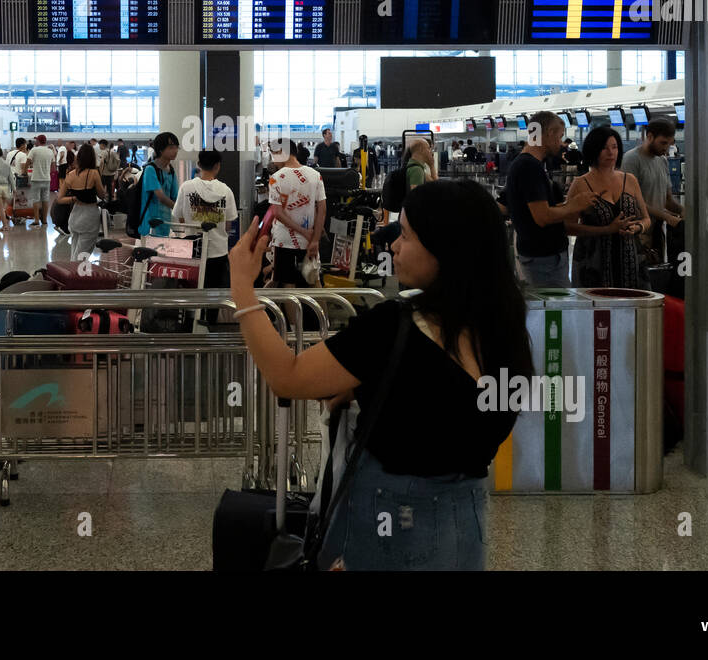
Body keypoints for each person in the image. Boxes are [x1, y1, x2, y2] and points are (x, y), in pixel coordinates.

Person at [226, 178, 531, 570]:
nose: (393, 245)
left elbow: (287, 376)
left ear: (445, 250)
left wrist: (243, 291)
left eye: (405, 235)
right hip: (463, 530)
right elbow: (442, 402)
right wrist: (366, 388)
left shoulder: (394, 327)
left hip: (384, 526)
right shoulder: (507, 333)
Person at [503, 111, 596, 288]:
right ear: (549, 134)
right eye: (560, 136)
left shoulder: (527, 164)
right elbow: (543, 216)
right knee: (556, 312)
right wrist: (574, 205)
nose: (561, 143)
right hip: (543, 260)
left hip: (541, 257)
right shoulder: (529, 166)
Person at [566, 127, 652, 289]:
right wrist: (607, 229)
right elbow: (568, 226)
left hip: (630, 260)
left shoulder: (630, 180)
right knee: (598, 311)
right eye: (604, 148)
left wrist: (637, 227)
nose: (611, 153)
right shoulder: (581, 184)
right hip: (593, 263)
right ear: (594, 150)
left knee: (632, 309)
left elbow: (646, 219)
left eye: (614, 147)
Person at [620, 119, 684, 266]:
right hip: (638, 230)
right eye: (663, 143)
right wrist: (667, 217)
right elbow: (633, 200)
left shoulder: (662, 161)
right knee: (640, 275)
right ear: (649, 137)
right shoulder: (632, 159)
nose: (666, 148)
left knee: (657, 275)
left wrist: (682, 210)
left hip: (657, 231)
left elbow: (667, 200)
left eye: (670, 143)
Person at [172, 149, 238, 289]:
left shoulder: (186, 187)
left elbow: (180, 218)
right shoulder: (226, 191)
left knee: (192, 291)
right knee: (214, 293)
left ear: (198, 164)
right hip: (218, 250)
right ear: (217, 166)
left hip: (192, 249)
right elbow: (228, 225)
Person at [265, 135, 327, 286]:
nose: (273, 160)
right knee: (314, 279)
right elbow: (322, 210)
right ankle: (323, 311)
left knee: (288, 285)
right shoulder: (315, 175)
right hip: (310, 239)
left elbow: (277, 213)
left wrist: (302, 231)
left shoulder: (275, 178)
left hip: (284, 240)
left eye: (274, 155)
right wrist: (315, 239)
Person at [56, 143, 107, 260]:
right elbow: (101, 195)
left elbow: (59, 199)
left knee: (74, 252)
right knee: (81, 257)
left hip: (75, 217)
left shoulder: (70, 175)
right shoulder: (93, 173)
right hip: (89, 217)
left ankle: (71, 275)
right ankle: (75, 276)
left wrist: (74, 198)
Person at [141, 132, 180, 236]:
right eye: (171, 147)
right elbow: (161, 197)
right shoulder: (150, 169)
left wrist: (181, 208)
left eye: (177, 147)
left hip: (165, 222)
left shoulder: (170, 170)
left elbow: (175, 196)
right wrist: (179, 212)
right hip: (150, 223)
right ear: (161, 149)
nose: (175, 150)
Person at [26, 135, 55, 228]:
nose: (35, 142)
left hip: (36, 178)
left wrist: (24, 170)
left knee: (36, 199)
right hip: (47, 179)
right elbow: (53, 167)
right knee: (45, 199)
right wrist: (47, 172)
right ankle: (45, 220)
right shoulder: (50, 151)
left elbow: (28, 161)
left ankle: (37, 220)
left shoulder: (34, 150)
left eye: (36, 140)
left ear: (38, 141)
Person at [0, 145, 16, 232]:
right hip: (6, 187)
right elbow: (11, 178)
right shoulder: (6, 163)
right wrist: (14, 188)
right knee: (2, 208)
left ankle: (5, 226)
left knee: (0, 208)